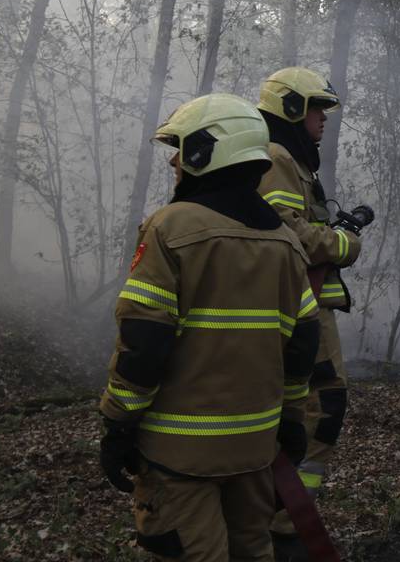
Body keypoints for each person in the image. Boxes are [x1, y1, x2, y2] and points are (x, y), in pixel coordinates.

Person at [99, 93, 321, 561]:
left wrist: (118, 422)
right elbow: (302, 347)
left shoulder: (171, 229)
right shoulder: (286, 244)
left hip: (178, 457)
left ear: (207, 152)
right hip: (255, 452)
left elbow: (143, 340)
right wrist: (292, 420)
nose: (175, 162)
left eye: (181, 149)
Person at [255, 67, 364, 559]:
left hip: (307, 305)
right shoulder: (277, 158)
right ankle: (287, 523)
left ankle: (285, 516)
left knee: (308, 409)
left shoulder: (292, 160)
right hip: (301, 309)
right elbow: (285, 230)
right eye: (318, 108)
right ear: (293, 109)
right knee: (323, 407)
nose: (324, 119)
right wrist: (343, 243)